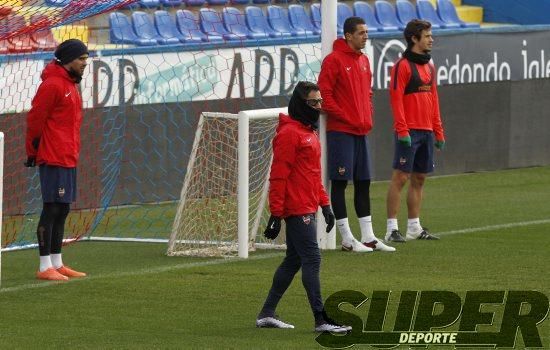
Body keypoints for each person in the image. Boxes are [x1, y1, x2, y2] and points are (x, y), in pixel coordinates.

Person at [256, 81, 350, 333]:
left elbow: (312, 174)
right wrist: (276, 213)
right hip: (296, 208)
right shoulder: (289, 134)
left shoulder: (309, 132)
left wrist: (325, 204)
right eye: (313, 102)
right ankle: (321, 319)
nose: (319, 107)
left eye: (320, 102)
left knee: (294, 260)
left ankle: (266, 313)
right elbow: (278, 176)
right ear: (301, 104)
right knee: (312, 257)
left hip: (308, 204)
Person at [318, 17, 394, 253]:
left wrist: (367, 116)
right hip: (341, 131)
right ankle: (347, 238)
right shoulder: (333, 61)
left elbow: (368, 94)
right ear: (348, 36)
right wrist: (346, 116)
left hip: (361, 131)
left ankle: (369, 236)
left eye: (366, 32)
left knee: (363, 183)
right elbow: (324, 95)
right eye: (361, 32)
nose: (365, 36)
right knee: (340, 183)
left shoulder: (364, 60)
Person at [25, 39, 89, 281]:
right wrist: (32, 152)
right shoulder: (52, 85)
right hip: (53, 156)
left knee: (62, 209)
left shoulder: (70, 85)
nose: (85, 63)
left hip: (68, 156)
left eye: (86, 58)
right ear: (68, 59)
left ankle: (57, 263)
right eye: (81, 58)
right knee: (51, 208)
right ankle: (44, 267)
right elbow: (35, 121)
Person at [385, 19, 445, 243]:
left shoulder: (430, 66)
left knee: (419, 178)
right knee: (400, 177)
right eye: (427, 36)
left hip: (427, 131)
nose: (431, 39)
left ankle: (414, 227)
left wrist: (438, 131)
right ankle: (391, 229)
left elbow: (434, 99)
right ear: (414, 39)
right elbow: (396, 100)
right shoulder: (402, 66)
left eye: (431, 35)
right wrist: (402, 130)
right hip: (409, 131)